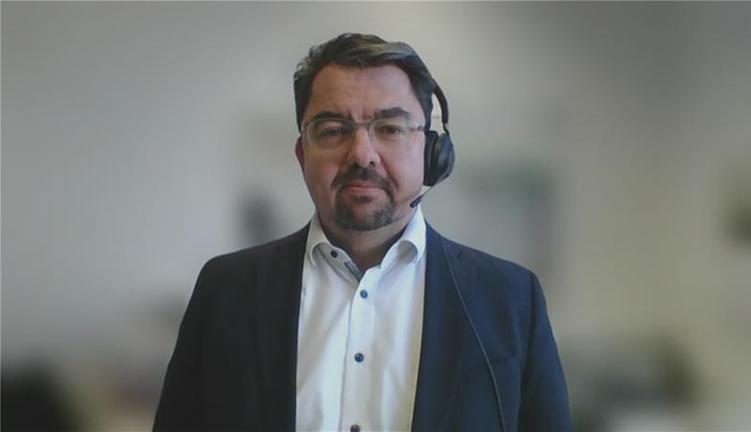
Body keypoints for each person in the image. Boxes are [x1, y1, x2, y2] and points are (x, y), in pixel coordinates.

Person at [154, 33, 571, 432]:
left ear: (431, 152)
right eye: (333, 130)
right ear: (302, 154)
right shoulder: (227, 289)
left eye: (390, 129)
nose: (361, 154)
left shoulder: (510, 299)